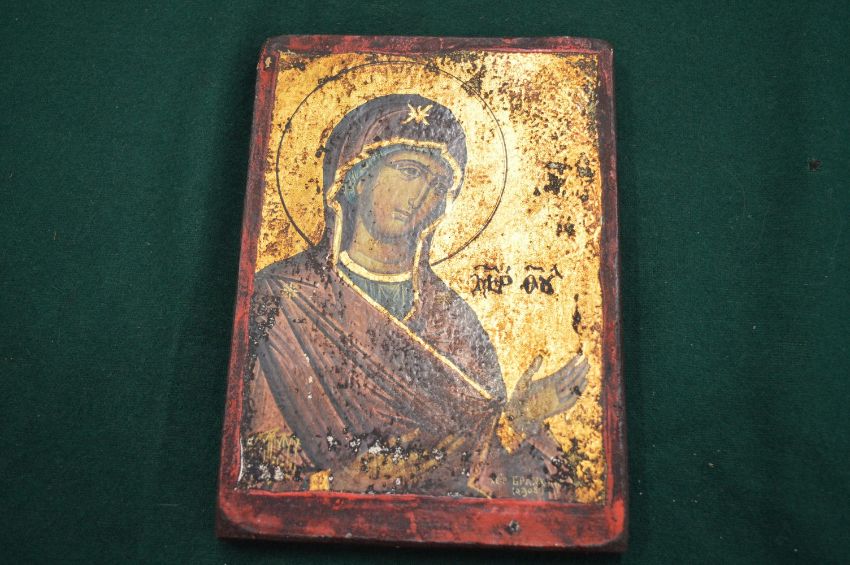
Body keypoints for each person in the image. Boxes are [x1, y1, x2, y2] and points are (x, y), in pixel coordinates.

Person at [240, 94, 588, 499]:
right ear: (358, 176)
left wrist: (519, 419)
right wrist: (332, 483)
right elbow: (257, 462)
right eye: (409, 171)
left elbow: (489, 469)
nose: (421, 195)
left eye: (437, 185)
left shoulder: (451, 317)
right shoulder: (284, 296)